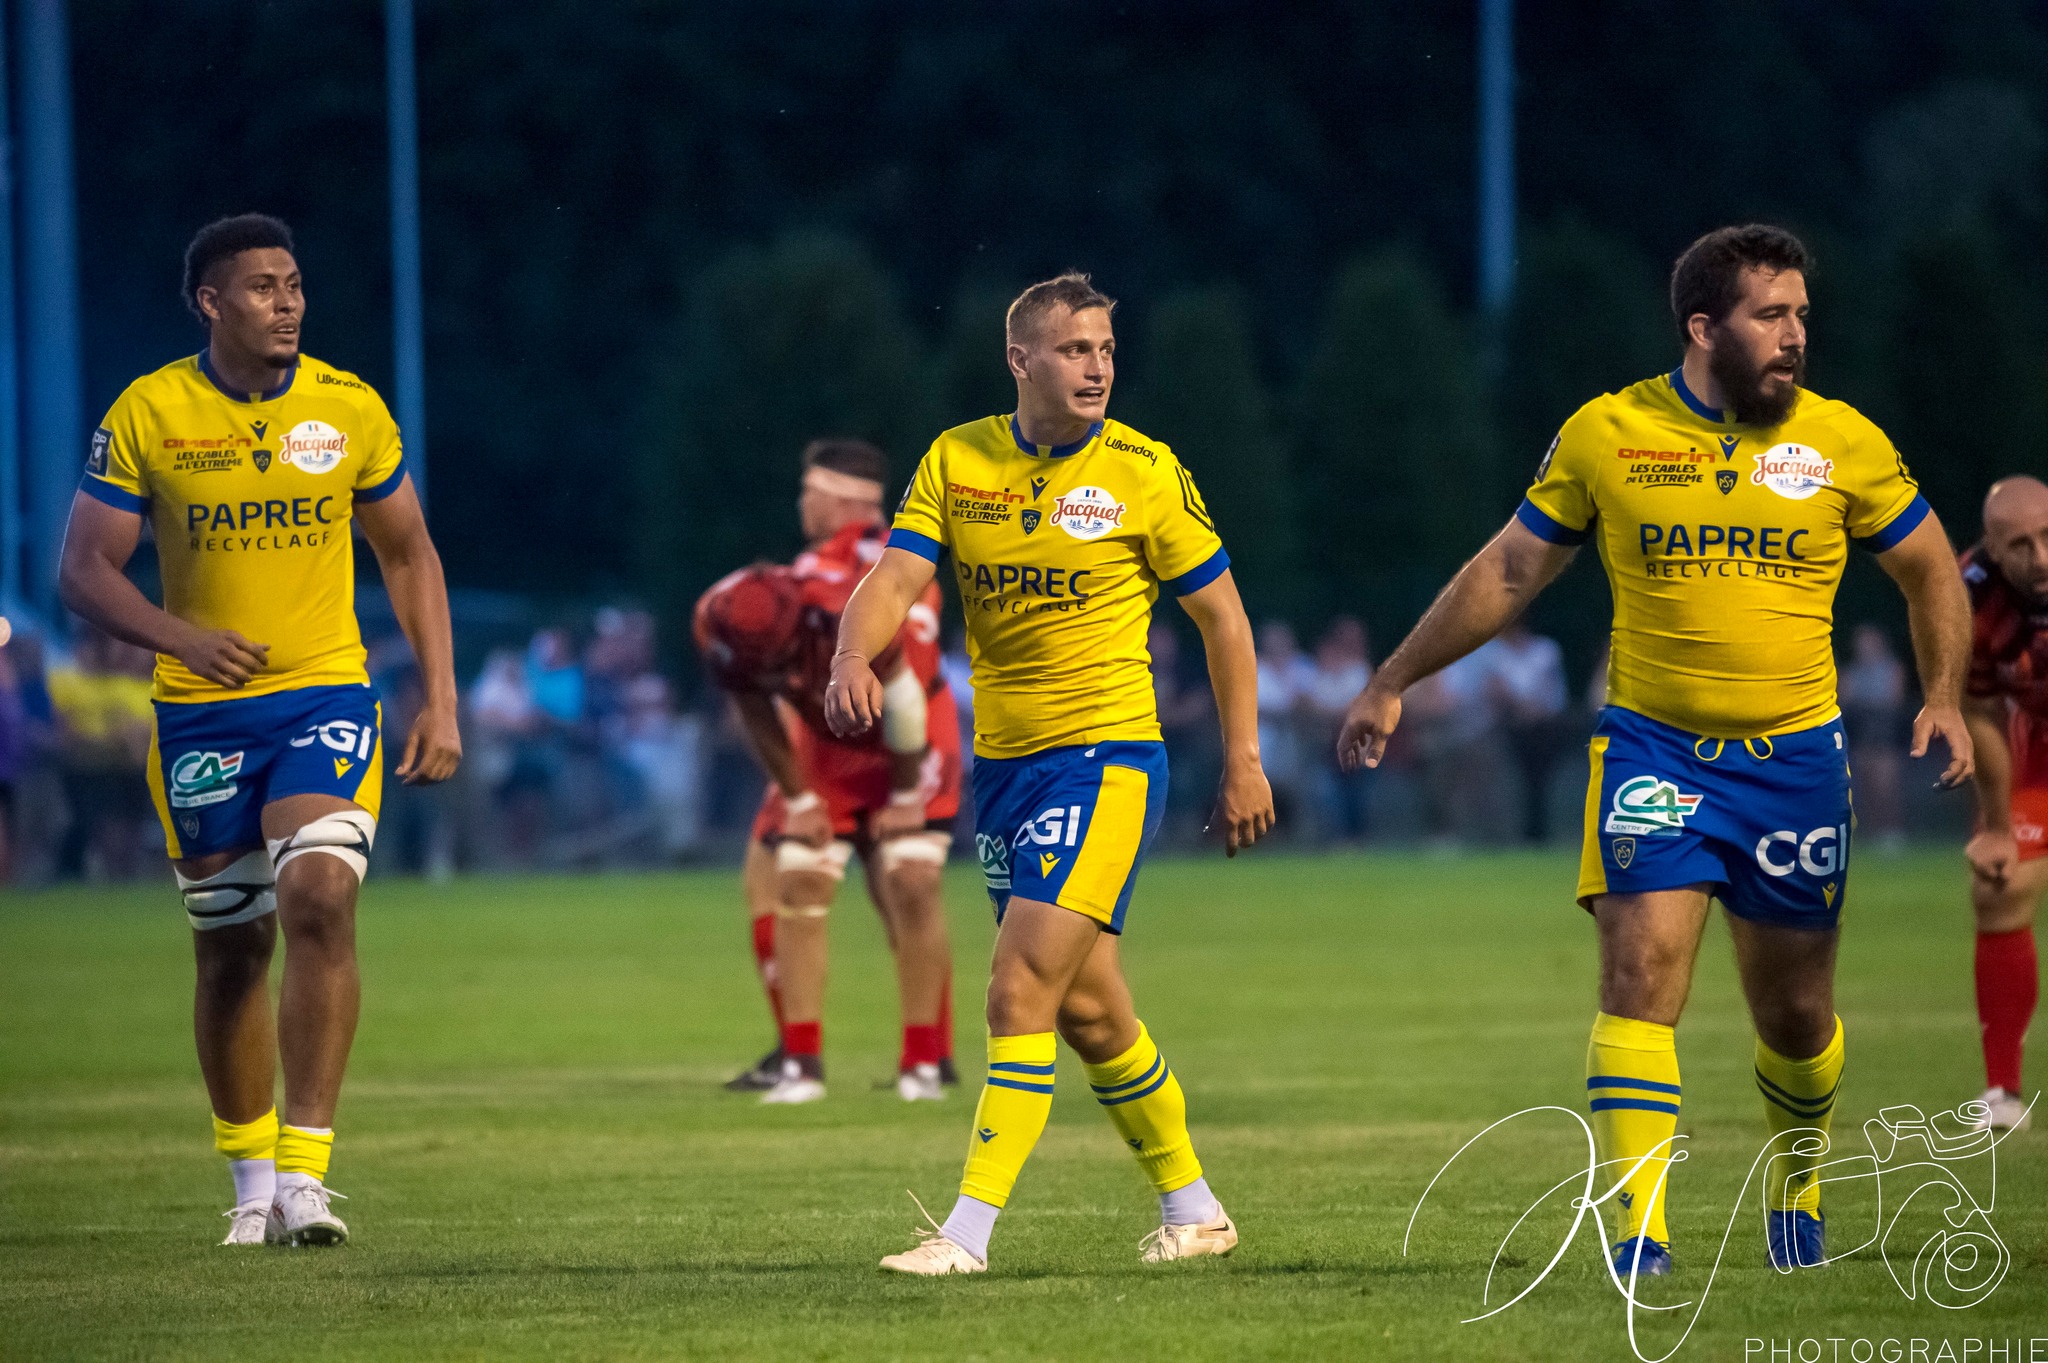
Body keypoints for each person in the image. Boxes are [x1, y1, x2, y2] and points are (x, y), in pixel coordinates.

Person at [1336, 225, 1972, 1277]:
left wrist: (1941, 695)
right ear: (1700, 326)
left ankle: (1795, 1183)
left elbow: (1928, 569)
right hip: (1652, 753)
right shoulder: (1607, 433)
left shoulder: (1842, 442)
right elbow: (1505, 571)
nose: (1794, 335)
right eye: (1770, 315)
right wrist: (1391, 679)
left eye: (1801, 315)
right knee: (1636, 974)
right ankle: (1639, 1236)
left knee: (1797, 1012)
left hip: (1793, 764)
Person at [828, 272, 1273, 1275]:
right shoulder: (958, 457)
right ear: (1019, 359)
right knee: (1088, 1008)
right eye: (1075, 350)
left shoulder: (1143, 471)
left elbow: (1223, 620)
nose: (1098, 366)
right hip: (1007, 771)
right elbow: (895, 576)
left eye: (1106, 350)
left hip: (1108, 759)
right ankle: (1195, 1208)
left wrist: (1243, 758)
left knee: (1016, 986)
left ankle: (965, 1234)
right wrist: (850, 654)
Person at [56, 214, 461, 1247]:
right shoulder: (149, 412)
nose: (287, 304)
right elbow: (85, 570)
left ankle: (306, 1175)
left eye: (294, 285)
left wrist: (442, 700)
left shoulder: (347, 406)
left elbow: (408, 553)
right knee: (232, 946)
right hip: (197, 714)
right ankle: (248, 1185)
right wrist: (178, 636)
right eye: (264, 288)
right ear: (211, 302)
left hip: (324, 693)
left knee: (319, 895)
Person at [698, 439, 962, 1104]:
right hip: (890, 729)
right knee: (905, 890)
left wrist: (884, 786)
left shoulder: (822, 574)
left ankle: (802, 1051)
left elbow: (900, 680)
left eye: (809, 491)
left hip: (884, 733)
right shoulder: (911, 551)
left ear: (840, 497)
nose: (801, 504)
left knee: (789, 881)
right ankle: (929, 1055)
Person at [1957, 474, 2048, 1131]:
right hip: (2031, 738)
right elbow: (1980, 709)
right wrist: (1994, 825)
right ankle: (2003, 1093)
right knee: (2001, 886)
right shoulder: (1967, 597)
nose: (2039, 557)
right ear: (1991, 547)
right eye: (2019, 545)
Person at [1840, 624, 1910, 848]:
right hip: (1860, 738)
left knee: (1886, 787)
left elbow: (1894, 699)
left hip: (1884, 739)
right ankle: (1869, 833)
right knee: (1863, 789)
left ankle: (1891, 832)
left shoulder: (1892, 669)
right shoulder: (1851, 672)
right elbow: (1843, 701)